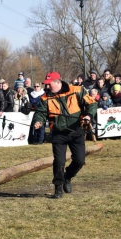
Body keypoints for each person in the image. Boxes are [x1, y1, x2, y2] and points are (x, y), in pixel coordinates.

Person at [33, 71, 97, 199]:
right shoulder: (45, 97)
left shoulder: (77, 90)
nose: (47, 87)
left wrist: (89, 116)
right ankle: (58, 187)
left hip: (76, 131)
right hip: (58, 133)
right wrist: (38, 121)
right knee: (59, 161)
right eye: (46, 84)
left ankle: (67, 177)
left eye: (49, 84)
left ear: (57, 82)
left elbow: (92, 103)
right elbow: (40, 112)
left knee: (79, 161)